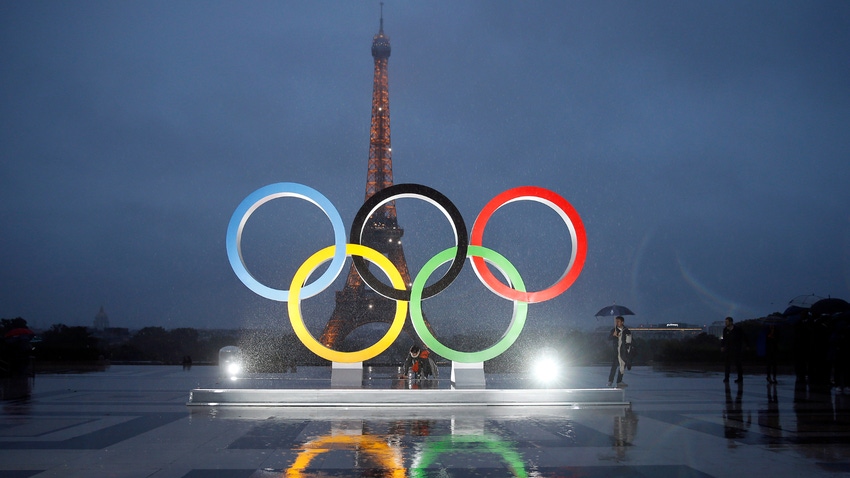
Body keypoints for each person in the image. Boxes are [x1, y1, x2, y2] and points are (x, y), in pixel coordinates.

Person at [607, 316, 632, 388]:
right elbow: (609, 338)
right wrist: (613, 335)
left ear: (622, 322)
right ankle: (610, 380)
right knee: (614, 366)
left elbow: (629, 341)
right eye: (616, 321)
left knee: (622, 367)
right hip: (616, 351)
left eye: (618, 321)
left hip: (624, 351)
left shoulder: (626, 330)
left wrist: (628, 350)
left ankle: (619, 381)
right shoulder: (614, 330)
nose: (616, 323)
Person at [722, 316, 744, 383]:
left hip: (736, 349)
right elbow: (724, 339)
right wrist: (722, 346)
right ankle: (726, 378)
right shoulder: (725, 330)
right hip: (728, 349)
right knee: (727, 364)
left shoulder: (737, 329)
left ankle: (740, 378)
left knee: (738, 364)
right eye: (725, 322)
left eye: (727, 322)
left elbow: (741, 338)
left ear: (731, 322)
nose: (725, 323)